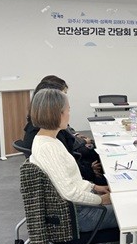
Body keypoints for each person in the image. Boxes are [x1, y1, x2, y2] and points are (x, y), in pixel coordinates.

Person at [29, 89, 117, 231]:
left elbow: (70, 180)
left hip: (80, 208)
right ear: (57, 113)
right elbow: (69, 193)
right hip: (80, 215)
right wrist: (101, 200)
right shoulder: (48, 147)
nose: (69, 115)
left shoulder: (50, 140)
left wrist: (94, 187)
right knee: (129, 210)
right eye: (68, 110)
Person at [21, 76, 106, 185]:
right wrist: (90, 172)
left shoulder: (45, 133)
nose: (68, 114)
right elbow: (68, 184)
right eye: (66, 110)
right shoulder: (50, 142)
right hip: (78, 178)